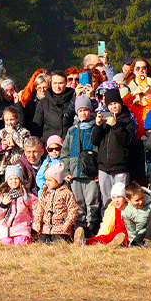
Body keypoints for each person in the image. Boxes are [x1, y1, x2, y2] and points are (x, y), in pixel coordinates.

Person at [61, 96, 99, 242]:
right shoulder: (71, 131)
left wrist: (97, 171)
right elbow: (65, 153)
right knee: (78, 203)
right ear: (77, 112)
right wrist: (67, 172)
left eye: (86, 110)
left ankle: (91, 229)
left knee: (92, 202)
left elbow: (99, 151)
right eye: (80, 110)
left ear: (90, 111)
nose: (83, 113)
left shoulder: (95, 128)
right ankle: (79, 229)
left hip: (90, 174)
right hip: (75, 174)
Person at [0, 164, 36, 245]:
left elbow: (35, 210)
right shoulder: (3, 196)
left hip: (21, 227)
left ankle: (27, 239)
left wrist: (35, 225)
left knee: (20, 242)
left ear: (20, 180)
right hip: (5, 228)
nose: (13, 181)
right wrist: (3, 205)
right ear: (7, 181)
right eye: (11, 179)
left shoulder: (27, 196)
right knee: (6, 242)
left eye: (16, 178)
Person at [33, 163, 77, 243]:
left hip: (61, 228)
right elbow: (40, 208)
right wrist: (38, 221)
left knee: (59, 242)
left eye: (50, 180)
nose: (47, 183)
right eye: (46, 180)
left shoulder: (66, 193)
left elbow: (73, 209)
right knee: (43, 242)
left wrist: (69, 222)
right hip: (46, 228)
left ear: (58, 180)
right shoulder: (46, 193)